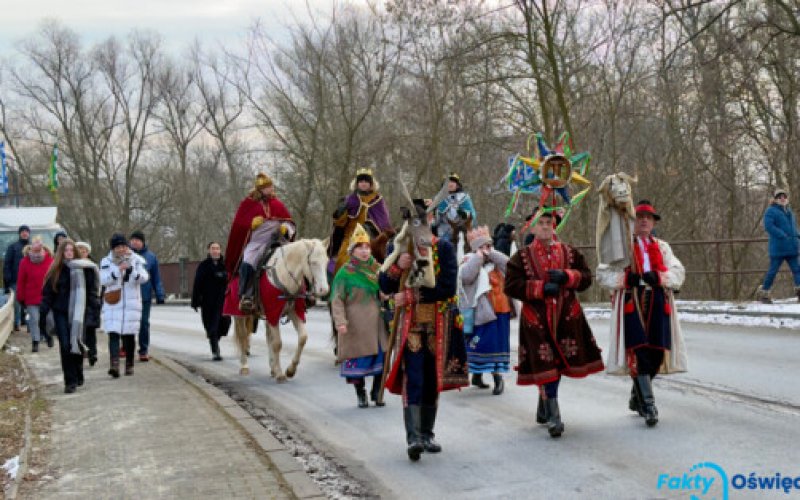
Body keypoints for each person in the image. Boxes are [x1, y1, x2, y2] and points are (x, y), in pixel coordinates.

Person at [379, 198, 468, 461]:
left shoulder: (444, 248)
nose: (417, 225)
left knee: (431, 379)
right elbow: (384, 284)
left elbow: (447, 287)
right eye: (412, 221)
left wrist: (411, 296)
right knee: (414, 377)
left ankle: (427, 433)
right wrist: (398, 266)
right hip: (411, 326)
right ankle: (413, 437)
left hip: (439, 323)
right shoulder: (398, 247)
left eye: (422, 220)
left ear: (430, 220)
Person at [504, 208, 604, 438]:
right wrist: (539, 288)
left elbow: (586, 277)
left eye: (549, 222)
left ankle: (544, 407)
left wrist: (568, 276)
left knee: (557, 364)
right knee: (545, 363)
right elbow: (511, 286)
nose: (545, 226)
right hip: (536, 319)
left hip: (566, 317)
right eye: (541, 222)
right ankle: (554, 417)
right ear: (532, 227)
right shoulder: (521, 257)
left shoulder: (570, 252)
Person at [597, 200, 688, 427]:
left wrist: (661, 277)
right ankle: (649, 405)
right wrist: (624, 278)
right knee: (638, 351)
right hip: (632, 299)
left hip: (657, 300)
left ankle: (636, 396)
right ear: (631, 221)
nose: (644, 221)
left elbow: (678, 272)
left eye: (649, 218)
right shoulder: (621, 246)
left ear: (653, 223)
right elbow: (602, 273)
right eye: (640, 217)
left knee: (656, 352)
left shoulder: (662, 247)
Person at [331, 224, 388, 408]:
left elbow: (386, 288)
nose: (364, 251)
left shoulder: (378, 269)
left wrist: (386, 294)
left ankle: (377, 392)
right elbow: (337, 300)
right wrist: (340, 321)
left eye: (367, 247)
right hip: (355, 324)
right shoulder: (344, 273)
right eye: (360, 247)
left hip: (377, 323)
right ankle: (361, 393)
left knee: (382, 358)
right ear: (352, 250)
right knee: (358, 361)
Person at [225, 172, 295, 313]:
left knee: (297, 257)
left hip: (278, 241)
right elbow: (238, 225)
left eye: (271, 186)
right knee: (248, 262)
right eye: (268, 187)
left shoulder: (278, 204)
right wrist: (250, 224)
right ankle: (246, 295)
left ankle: (305, 294)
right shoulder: (248, 204)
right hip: (257, 243)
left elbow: (290, 222)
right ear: (260, 189)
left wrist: (285, 228)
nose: (271, 189)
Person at [38, 238, 100, 393]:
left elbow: (92, 293)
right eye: (66, 250)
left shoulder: (86, 269)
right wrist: (43, 313)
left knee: (77, 343)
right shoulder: (56, 270)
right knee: (65, 346)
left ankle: (78, 371)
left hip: (80, 313)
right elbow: (48, 294)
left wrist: (94, 311)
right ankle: (69, 381)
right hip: (60, 312)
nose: (69, 253)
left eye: (72, 250)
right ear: (61, 253)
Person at [458, 226, 511, 395]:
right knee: (483, 344)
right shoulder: (468, 261)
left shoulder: (496, 262)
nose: (487, 249)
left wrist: (492, 253)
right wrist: (478, 258)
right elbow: (466, 277)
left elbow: (510, 266)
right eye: (483, 246)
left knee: (498, 345)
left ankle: (492, 377)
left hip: (500, 310)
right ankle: (485, 376)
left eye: (489, 245)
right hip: (482, 313)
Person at [100, 233, 149, 378]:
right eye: (118, 247)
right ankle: (114, 365)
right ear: (113, 249)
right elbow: (103, 280)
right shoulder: (106, 261)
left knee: (129, 336)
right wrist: (117, 271)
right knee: (113, 333)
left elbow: (144, 278)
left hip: (131, 303)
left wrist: (132, 270)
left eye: (123, 246)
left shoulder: (136, 259)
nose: (121, 249)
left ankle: (129, 364)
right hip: (113, 301)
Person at [328, 168, 394, 277]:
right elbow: (340, 224)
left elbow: (383, 222)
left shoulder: (378, 200)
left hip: (371, 237)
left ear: (371, 184)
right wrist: (340, 213)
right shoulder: (349, 200)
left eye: (366, 181)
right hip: (350, 236)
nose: (363, 184)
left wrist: (370, 227)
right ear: (357, 183)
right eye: (361, 181)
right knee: (343, 259)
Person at [757, 188, 800, 304]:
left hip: (792, 248)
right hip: (778, 248)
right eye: (780, 197)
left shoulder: (789, 211)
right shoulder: (771, 211)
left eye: (784, 196)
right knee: (773, 271)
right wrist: (782, 235)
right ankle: (764, 293)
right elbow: (769, 226)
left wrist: (798, 235)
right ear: (775, 199)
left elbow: (793, 228)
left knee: (797, 270)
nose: (782, 198)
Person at [129, 230, 165, 361]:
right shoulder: (126, 255)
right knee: (128, 323)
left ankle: (143, 350)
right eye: (133, 240)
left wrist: (160, 294)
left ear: (142, 242)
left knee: (144, 323)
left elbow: (156, 277)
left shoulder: (150, 257)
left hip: (144, 296)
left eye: (137, 240)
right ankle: (126, 347)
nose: (135, 242)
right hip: (129, 295)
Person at [191, 242, 231, 361]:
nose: (215, 251)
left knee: (225, 324)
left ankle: (215, 341)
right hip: (209, 301)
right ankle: (215, 351)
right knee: (212, 326)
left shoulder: (226, 265)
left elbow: (232, 280)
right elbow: (197, 283)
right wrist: (195, 301)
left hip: (223, 300)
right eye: (213, 248)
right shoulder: (204, 265)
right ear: (209, 250)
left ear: (220, 250)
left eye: (217, 248)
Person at [16, 237, 54, 352]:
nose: (37, 251)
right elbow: (21, 280)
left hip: (47, 297)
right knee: (34, 320)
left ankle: (48, 335)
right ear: (31, 248)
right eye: (35, 248)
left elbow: (54, 278)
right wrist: (20, 297)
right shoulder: (24, 262)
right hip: (31, 296)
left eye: (39, 248)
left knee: (49, 320)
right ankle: (35, 341)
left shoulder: (50, 260)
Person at [434, 173, 477, 250]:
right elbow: (434, 218)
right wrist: (437, 214)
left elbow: (472, 214)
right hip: (444, 230)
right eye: (448, 182)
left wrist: (464, 214)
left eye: (453, 182)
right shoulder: (438, 199)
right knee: (439, 245)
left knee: (477, 243)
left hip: (462, 228)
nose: (450, 184)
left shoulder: (464, 198)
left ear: (457, 185)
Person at [76, 241, 100, 366]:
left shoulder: (93, 267)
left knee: (90, 330)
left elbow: (98, 284)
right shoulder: (72, 266)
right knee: (79, 330)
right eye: (79, 250)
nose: (81, 252)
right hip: (77, 301)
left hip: (90, 301)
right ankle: (81, 352)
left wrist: (96, 299)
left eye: (84, 250)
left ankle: (93, 353)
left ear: (87, 252)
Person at [4, 224, 30, 332]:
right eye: (22, 231)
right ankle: (16, 324)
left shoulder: (33, 247)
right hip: (16, 280)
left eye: (26, 231)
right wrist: (7, 280)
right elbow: (7, 264)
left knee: (30, 304)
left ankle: (30, 325)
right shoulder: (13, 247)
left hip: (30, 281)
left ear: (29, 233)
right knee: (17, 304)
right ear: (19, 233)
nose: (24, 233)